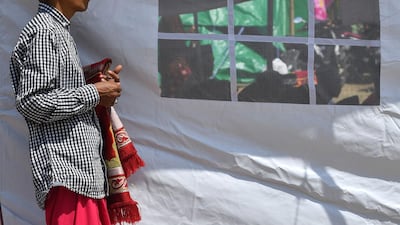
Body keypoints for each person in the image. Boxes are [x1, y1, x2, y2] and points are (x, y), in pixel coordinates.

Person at [9, 0, 122, 224]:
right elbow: (32, 101)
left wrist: (100, 90)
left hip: (78, 176)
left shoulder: (55, 30)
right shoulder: (45, 30)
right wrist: (94, 93)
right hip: (69, 176)